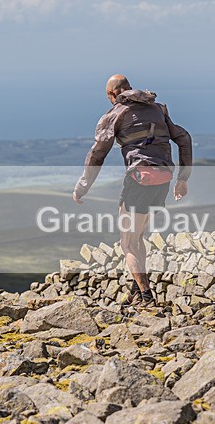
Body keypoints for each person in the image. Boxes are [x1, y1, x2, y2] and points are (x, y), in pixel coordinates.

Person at [73, 74, 192, 308]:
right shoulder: (158, 109)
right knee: (137, 237)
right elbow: (184, 138)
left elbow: (98, 154)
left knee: (128, 242)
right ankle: (136, 292)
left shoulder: (116, 114)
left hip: (139, 180)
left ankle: (146, 296)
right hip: (163, 179)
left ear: (111, 94)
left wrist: (82, 187)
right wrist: (183, 179)